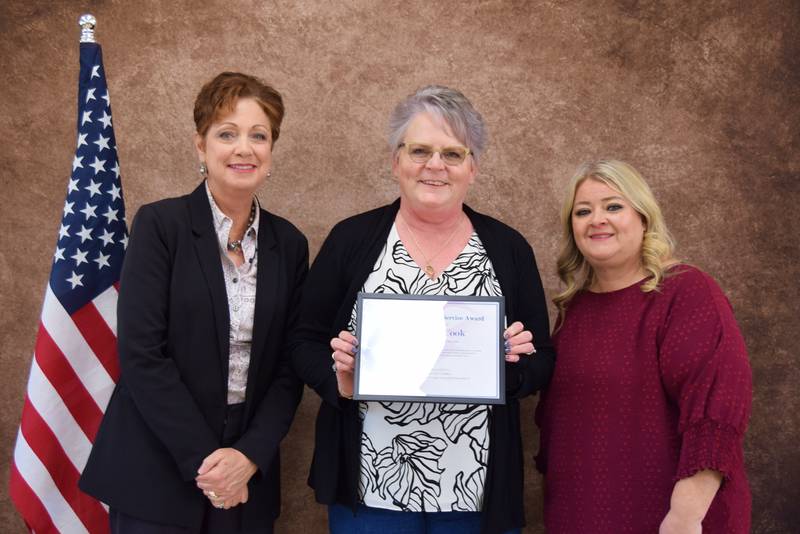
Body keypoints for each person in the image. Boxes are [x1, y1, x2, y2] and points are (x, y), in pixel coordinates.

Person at [291, 85, 555, 534]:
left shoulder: (508, 249)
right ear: (396, 162)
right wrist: (338, 379)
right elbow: (301, 340)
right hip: (369, 487)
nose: (435, 165)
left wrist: (514, 368)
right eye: (419, 150)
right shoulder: (351, 240)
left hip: (477, 490)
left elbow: (543, 357)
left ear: (473, 167)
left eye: (453, 154)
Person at [79, 72, 308, 533]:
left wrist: (248, 457)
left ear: (271, 151)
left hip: (247, 477)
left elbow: (289, 366)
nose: (244, 148)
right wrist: (211, 465)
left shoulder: (291, 243)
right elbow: (142, 356)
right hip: (158, 467)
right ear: (200, 147)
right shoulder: (161, 226)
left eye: (258, 136)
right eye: (227, 134)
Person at [535, 159, 752, 533]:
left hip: (670, 518)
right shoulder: (573, 309)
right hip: (579, 514)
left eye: (613, 206)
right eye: (583, 211)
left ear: (644, 218)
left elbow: (715, 412)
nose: (597, 219)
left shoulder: (686, 293)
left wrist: (684, 517)